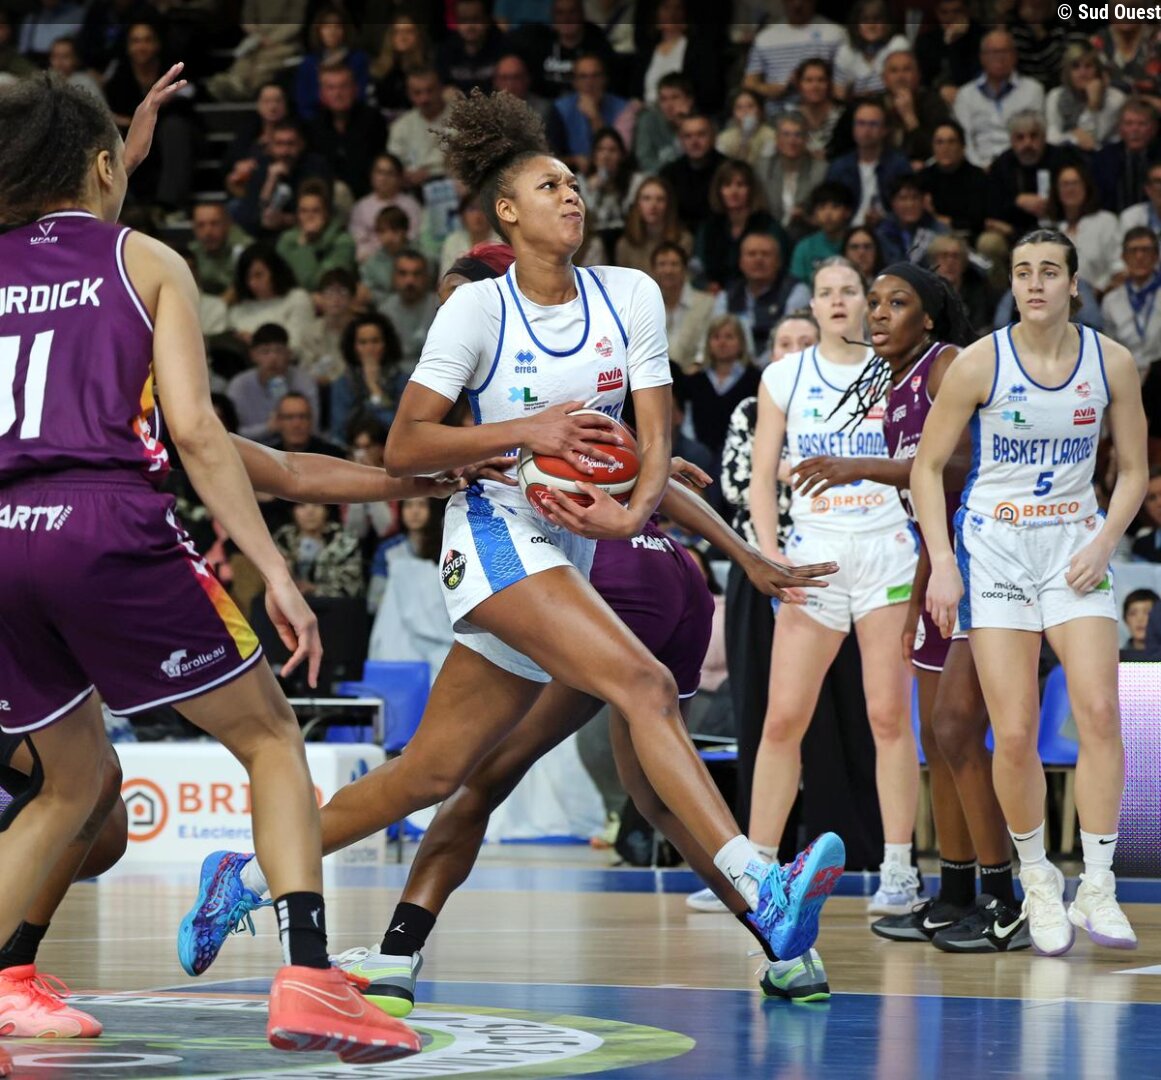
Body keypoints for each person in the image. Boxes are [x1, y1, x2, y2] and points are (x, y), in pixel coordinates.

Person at [177, 88, 847, 986]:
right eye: (547, 185)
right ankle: (762, 884)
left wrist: (635, 513)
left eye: (573, 182)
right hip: (495, 536)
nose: (570, 194)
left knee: (430, 775)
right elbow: (405, 446)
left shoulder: (631, 294)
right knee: (644, 685)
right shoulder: (476, 311)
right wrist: (526, 431)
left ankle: (247, 877)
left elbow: (653, 437)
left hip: (574, 547)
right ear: (505, 212)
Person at [0, 73, 419, 1063]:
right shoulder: (149, 262)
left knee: (71, 784)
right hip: (104, 520)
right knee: (271, 737)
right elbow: (195, 430)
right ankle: (311, 978)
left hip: (5, 531)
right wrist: (274, 567)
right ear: (104, 165)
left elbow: (59, 265)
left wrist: (111, 161)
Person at [912, 228, 1149, 955]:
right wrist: (943, 563)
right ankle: (1038, 881)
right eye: (1022, 272)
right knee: (1012, 731)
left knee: (1100, 713)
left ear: (1074, 283)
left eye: (1049, 271)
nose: (1035, 283)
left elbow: (1134, 472)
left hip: (1075, 547)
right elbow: (926, 469)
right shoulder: (980, 362)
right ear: (1011, 284)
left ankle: (1098, 886)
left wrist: (1103, 541)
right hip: (996, 549)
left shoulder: (1111, 361)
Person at [794, 263, 1027, 950]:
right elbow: (929, 507)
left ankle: (1005, 898)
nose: (877, 313)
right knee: (935, 739)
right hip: (942, 566)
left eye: (896, 303)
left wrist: (861, 467)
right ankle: (953, 894)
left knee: (957, 730)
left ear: (926, 318)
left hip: (991, 560)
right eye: (873, 302)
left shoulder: (944, 364)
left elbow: (962, 467)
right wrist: (918, 592)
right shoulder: (895, 385)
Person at [750, 257, 921, 915]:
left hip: (885, 552)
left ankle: (899, 870)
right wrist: (769, 555)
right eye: (827, 292)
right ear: (813, 305)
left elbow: (922, 464)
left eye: (852, 291)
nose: (840, 300)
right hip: (814, 555)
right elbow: (761, 476)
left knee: (888, 716)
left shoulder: (896, 370)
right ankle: (756, 871)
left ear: (868, 303)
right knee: (783, 718)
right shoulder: (784, 375)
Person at [1120, 588, 1158, 657]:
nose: (1140, 619)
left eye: (1147, 612)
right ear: (1125, 619)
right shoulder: (1116, 658)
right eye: (1133, 613)